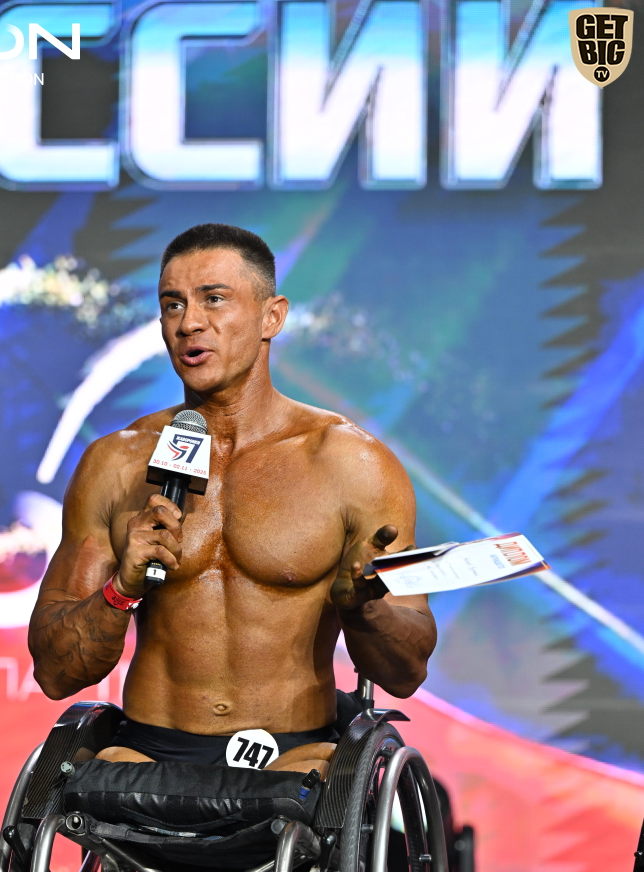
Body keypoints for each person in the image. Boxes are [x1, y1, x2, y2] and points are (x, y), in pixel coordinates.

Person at [29, 223, 436, 779]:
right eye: (172, 305)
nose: (189, 322)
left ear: (273, 317)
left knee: (312, 785)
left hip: (293, 762)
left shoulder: (352, 465)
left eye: (214, 299)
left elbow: (407, 672)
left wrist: (363, 608)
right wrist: (120, 590)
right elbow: (55, 673)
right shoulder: (116, 465)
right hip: (149, 759)